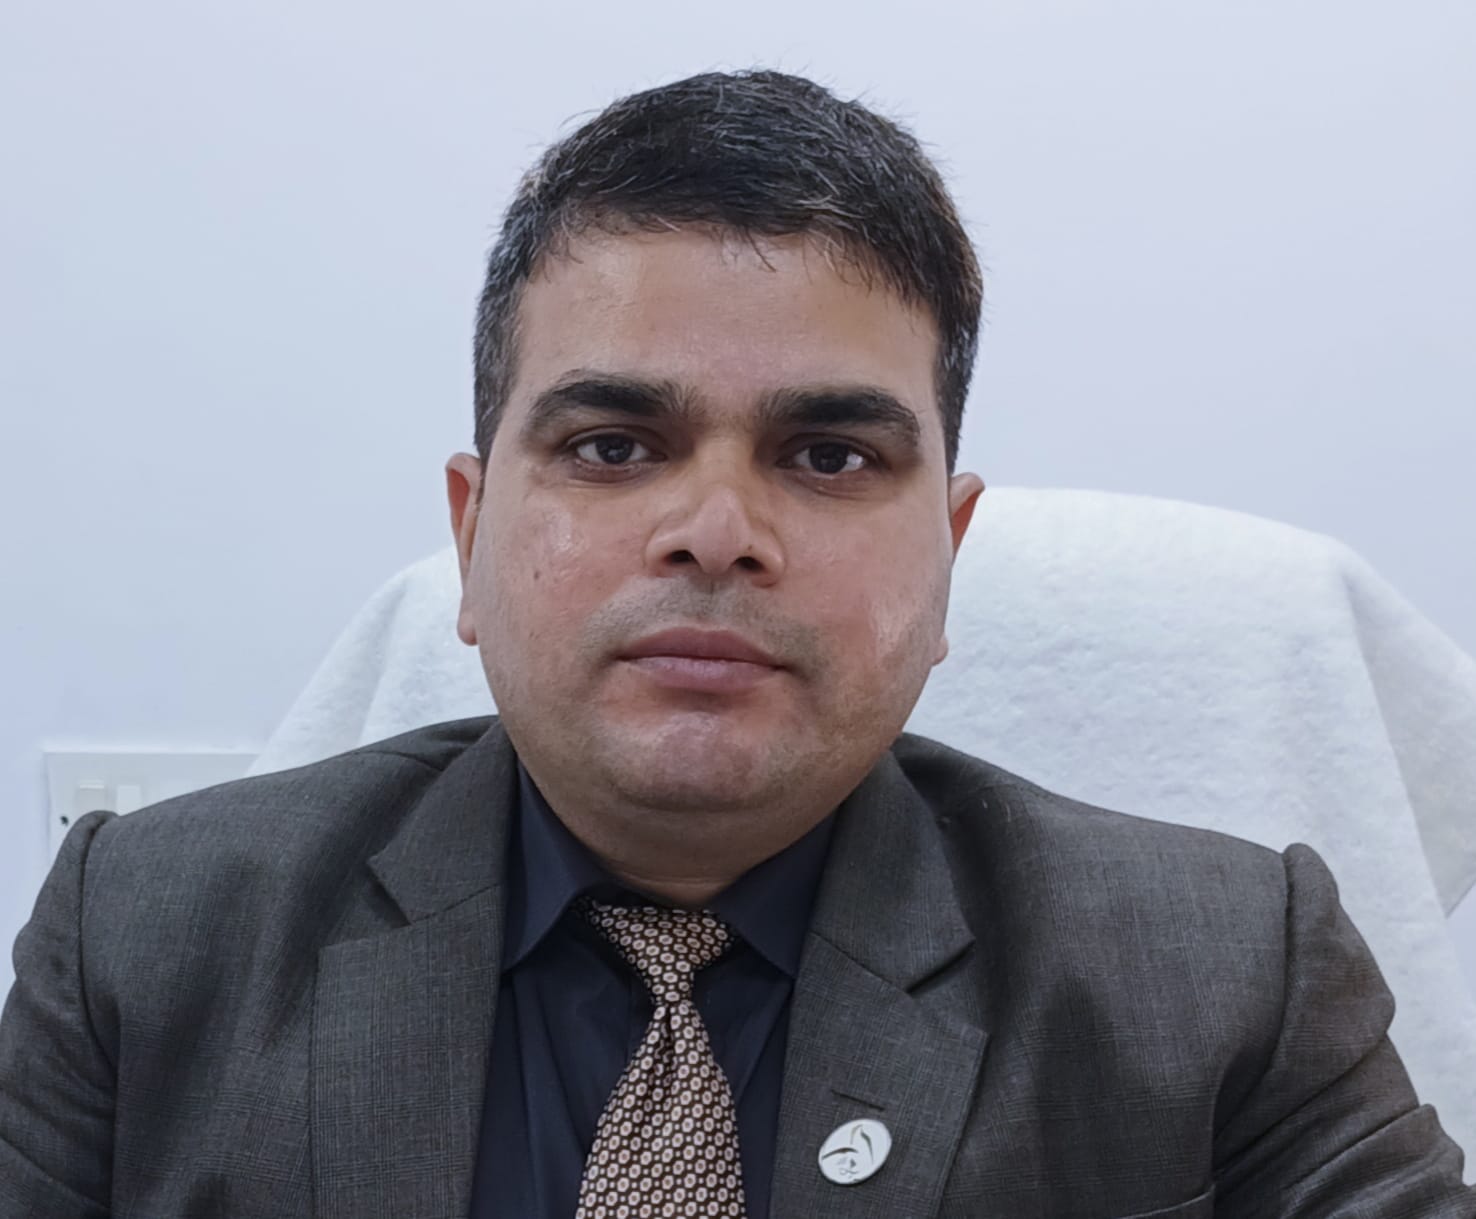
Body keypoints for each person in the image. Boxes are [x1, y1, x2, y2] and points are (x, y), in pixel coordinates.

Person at [0, 68, 1471, 1219]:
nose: (715, 532)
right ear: (471, 533)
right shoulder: (145, 937)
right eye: (613, 444)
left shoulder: (1225, 975)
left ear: (948, 558)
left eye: (828, 457)